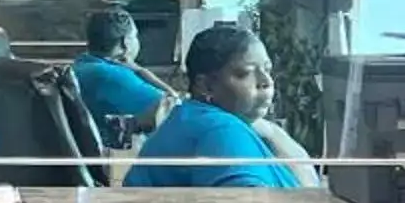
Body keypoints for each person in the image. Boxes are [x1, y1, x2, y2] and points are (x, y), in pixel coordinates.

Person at [128, 23, 321, 189]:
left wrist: (270, 129)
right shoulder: (219, 129)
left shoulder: (194, 116)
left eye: (267, 69)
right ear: (207, 86)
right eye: (245, 73)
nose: (266, 81)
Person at [67, 7, 174, 139]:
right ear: (126, 42)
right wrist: (141, 71)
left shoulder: (80, 65)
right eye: (135, 36)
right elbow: (174, 108)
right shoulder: (111, 76)